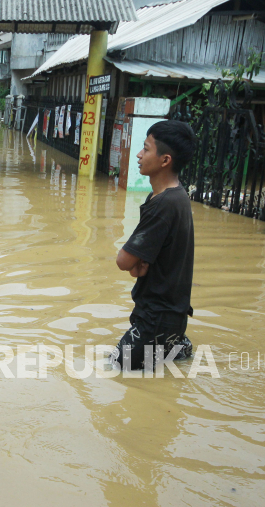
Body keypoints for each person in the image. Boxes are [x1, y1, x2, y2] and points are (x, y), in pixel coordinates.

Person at [111, 120, 197, 371]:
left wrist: (137, 264)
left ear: (165, 160)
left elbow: (124, 261)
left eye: (146, 149)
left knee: (116, 368)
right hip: (169, 318)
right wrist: (139, 265)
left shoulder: (163, 204)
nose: (139, 155)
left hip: (156, 320)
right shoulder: (174, 195)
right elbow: (139, 263)